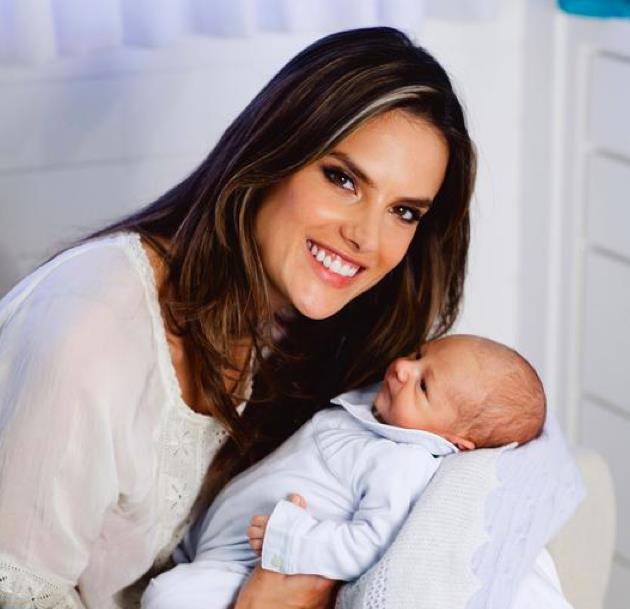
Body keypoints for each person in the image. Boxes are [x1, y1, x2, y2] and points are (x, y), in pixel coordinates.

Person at [0, 26, 473, 609]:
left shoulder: (301, 327)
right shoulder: (89, 331)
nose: (367, 238)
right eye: (343, 179)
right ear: (274, 154)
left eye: (403, 212)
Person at [139, 334, 546, 609]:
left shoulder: (402, 463)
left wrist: (294, 539)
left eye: (424, 386)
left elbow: (368, 544)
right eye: (419, 354)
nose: (403, 368)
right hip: (213, 534)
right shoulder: (379, 411)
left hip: (248, 565)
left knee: (167, 598)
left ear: (455, 441)